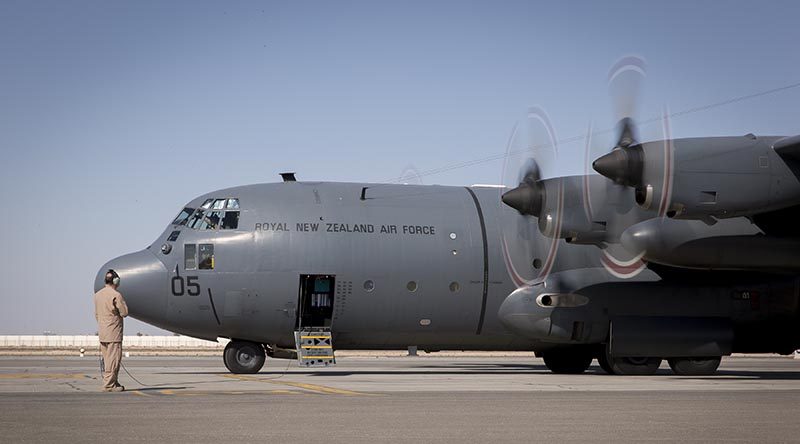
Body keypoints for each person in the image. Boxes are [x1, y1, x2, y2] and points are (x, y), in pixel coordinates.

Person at [94, 269, 128, 392]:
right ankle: (109, 385)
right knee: (114, 360)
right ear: (116, 281)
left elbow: (96, 314)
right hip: (114, 333)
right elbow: (124, 312)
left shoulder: (97, 295)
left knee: (107, 359)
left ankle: (114, 381)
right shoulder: (116, 295)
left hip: (103, 332)